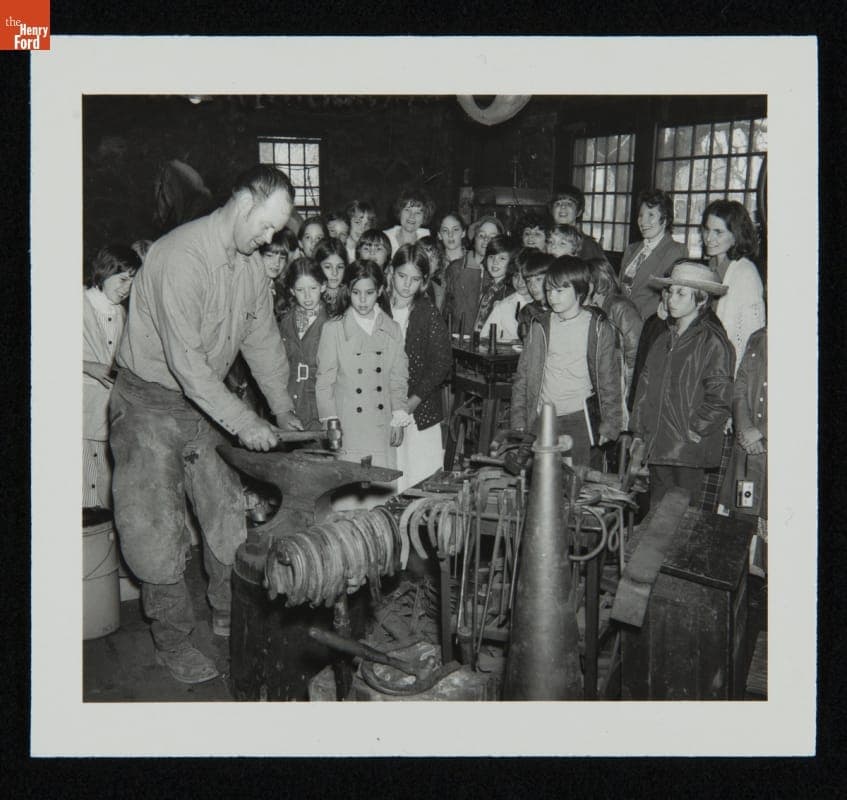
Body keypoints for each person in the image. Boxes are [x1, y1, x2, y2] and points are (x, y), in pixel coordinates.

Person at [109, 165, 303, 684]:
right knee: (154, 531)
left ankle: (227, 610)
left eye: (276, 233)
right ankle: (173, 640)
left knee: (225, 515)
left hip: (202, 406)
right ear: (241, 203)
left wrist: (283, 411)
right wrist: (244, 422)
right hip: (149, 403)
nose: (269, 240)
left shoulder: (249, 265)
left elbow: (261, 341)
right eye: (265, 227)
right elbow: (188, 364)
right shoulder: (181, 258)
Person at [630, 261, 735, 510]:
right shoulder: (664, 339)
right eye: (670, 292)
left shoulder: (713, 341)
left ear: (701, 299)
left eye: (681, 293)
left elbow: (720, 396)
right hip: (659, 444)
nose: (671, 300)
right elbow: (644, 389)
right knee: (657, 515)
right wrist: (639, 432)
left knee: (682, 516)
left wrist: (695, 429)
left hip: (687, 448)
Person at [511, 256, 623, 467]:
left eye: (560, 291)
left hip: (579, 419)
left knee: (575, 484)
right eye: (549, 290)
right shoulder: (540, 326)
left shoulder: (598, 328)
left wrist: (610, 423)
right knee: (542, 483)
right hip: (543, 417)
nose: (552, 297)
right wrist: (518, 420)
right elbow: (523, 375)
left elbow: (609, 379)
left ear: (580, 290)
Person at [316, 260, 410, 508]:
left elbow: (398, 378)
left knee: (379, 504)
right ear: (348, 291)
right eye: (356, 293)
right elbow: (324, 382)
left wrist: (399, 415)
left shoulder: (393, 330)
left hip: (381, 426)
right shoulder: (333, 329)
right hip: (349, 429)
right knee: (349, 503)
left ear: (380, 291)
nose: (363, 300)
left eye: (369, 293)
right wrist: (330, 422)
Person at [388, 244, 452, 492]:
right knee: (389, 480)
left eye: (415, 279)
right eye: (402, 276)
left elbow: (441, 363)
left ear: (424, 281)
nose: (406, 285)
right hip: (385, 406)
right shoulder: (379, 308)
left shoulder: (427, 312)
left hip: (419, 409)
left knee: (419, 480)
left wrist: (410, 404)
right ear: (391, 273)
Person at [83, 244, 142, 509]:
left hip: (107, 411)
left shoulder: (120, 312)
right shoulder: (77, 304)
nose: (127, 288)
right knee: (83, 479)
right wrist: (87, 365)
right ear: (104, 273)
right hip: (80, 409)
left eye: (132, 281)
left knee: (106, 480)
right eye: (122, 279)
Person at [717, 327, 768, 573]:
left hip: (773, 452)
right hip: (747, 455)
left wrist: (763, 431)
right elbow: (740, 387)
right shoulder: (758, 337)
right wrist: (746, 428)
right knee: (743, 515)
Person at [701, 199, 766, 371]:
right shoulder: (710, 267)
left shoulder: (745, 274)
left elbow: (751, 338)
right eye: (707, 230)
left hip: (727, 370)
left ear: (735, 236)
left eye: (718, 232)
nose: (709, 238)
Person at [277, 257, 330, 430]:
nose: (307, 296)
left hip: (319, 408)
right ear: (292, 291)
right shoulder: (284, 323)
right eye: (300, 289)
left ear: (323, 286)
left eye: (313, 288)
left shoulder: (332, 324)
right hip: (291, 406)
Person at [619, 189, 688, 321]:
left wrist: (632, 320)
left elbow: (667, 296)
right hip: (622, 320)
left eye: (651, 215)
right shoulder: (631, 249)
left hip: (649, 324)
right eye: (640, 215)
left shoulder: (676, 251)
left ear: (665, 219)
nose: (643, 222)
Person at [587, 257, 643, 404]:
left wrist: (628, 393)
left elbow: (635, 353)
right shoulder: (592, 307)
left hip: (621, 384)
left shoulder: (620, 306)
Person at [442, 214, 504, 335]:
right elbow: (444, 310)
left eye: (492, 237)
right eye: (482, 235)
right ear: (474, 238)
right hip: (458, 343)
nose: (486, 240)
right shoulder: (456, 269)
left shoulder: (501, 273)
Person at [480, 247, 532, 342]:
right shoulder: (504, 305)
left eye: (525, 277)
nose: (520, 282)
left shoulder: (545, 305)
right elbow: (484, 337)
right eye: (516, 276)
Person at [548, 184, 604, 260]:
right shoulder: (544, 239)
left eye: (569, 204)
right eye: (558, 203)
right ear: (552, 211)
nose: (563, 207)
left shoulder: (588, 245)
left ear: (579, 212)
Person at [474, 234, 515, 331]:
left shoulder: (509, 292)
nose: (495, 262)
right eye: (491, 257)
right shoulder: (487, 288)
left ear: (511, 262)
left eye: (502, 258)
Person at [383, 186, 435, 255]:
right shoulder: (385, 238)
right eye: (407, 210)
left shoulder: (428, 238)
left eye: (418, 213)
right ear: (399, 212)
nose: (412, 216)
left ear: (424, 218)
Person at [516, 249, 554, 342]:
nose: (532, 286)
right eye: (528, 281)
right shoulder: (527, 312)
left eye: (538, 279)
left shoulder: (561, 309)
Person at [313, 237, 349, 319]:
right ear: (317, 267)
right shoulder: (310, 295)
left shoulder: (351, 295)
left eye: (340, 267)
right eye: (328, 267)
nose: (335, 273)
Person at [417, 234, 447, 312]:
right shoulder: (407, 283)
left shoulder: (439, 292)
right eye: (423, 257)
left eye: (431, 259)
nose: (426, 262)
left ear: (438, 264)